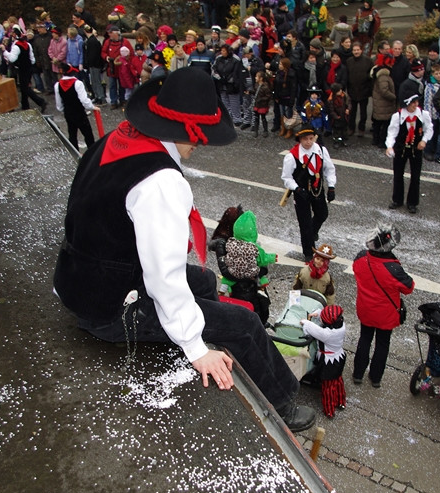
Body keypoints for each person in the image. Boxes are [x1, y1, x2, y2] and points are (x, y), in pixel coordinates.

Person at [52, 67, 316, 432]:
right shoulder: (161, 182)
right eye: (200, 134)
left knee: (206, 281)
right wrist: (195, 348)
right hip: (109, 307)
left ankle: (195, 332)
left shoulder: (117, 139)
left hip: (82, 278)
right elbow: (164, 276)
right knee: (244, 324)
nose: (202, 143)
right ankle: (282, 406)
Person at [351, 223, 414, 388]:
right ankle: (376, 377)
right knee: (382, 344)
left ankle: (358, 374)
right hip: (385, 314)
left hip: (366, 308)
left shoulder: (360, 258)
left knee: (364, 339)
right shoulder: (393, 268)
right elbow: (409, 287)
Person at [282, 127, 337, 262]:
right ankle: (308, 252)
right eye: (305, 139)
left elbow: (329, 169)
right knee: (304, 224)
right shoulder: (292, 156)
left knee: (322, 214)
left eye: (311, 138)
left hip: (317, 189)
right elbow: (286, 178)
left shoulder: (321, 151)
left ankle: (312, 234)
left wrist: (331, 187)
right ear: (300, 139)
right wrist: (297, 189)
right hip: (301, 193)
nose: (308, 142)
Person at [386, 93, 433, 213]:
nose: (416, 105)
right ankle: (397, 199)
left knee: (415, 177)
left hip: (416, 149)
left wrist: (424, 140)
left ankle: (412, 202)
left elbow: (429, 129)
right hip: (401, 149)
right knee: (398, 175)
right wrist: (390, 146)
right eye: (413, 103)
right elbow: (392, 132)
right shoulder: (398, 116)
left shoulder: (423, 115)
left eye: (417, 102)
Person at [301, 304, 347, 418]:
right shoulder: (340, 326)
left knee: (328, 388)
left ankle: (329, 410)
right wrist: (319, 313)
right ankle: (341, 401)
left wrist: (306, 322)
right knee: (338, 381)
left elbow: (312, 328)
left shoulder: (327, 334)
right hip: (339, 357)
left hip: (328, 362)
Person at [4, 26, 47, 112]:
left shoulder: (16, 46)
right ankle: (25, 105)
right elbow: (32, 59)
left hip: (22, 69)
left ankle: (41, 102)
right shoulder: (27, 44)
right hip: (28, 68)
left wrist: (4, 51)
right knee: (24, 87)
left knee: (25, 88)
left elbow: (12, 59)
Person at [55, 63, 97, 150]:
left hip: (68, 113)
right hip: (79, 112)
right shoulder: (78, 83)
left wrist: (65, 110)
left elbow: (59, 104)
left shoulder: (57, 85)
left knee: (72, 134)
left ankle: (75, 155)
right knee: (88, 134)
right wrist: (92, 107)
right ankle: (92, 155)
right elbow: (84, 100)